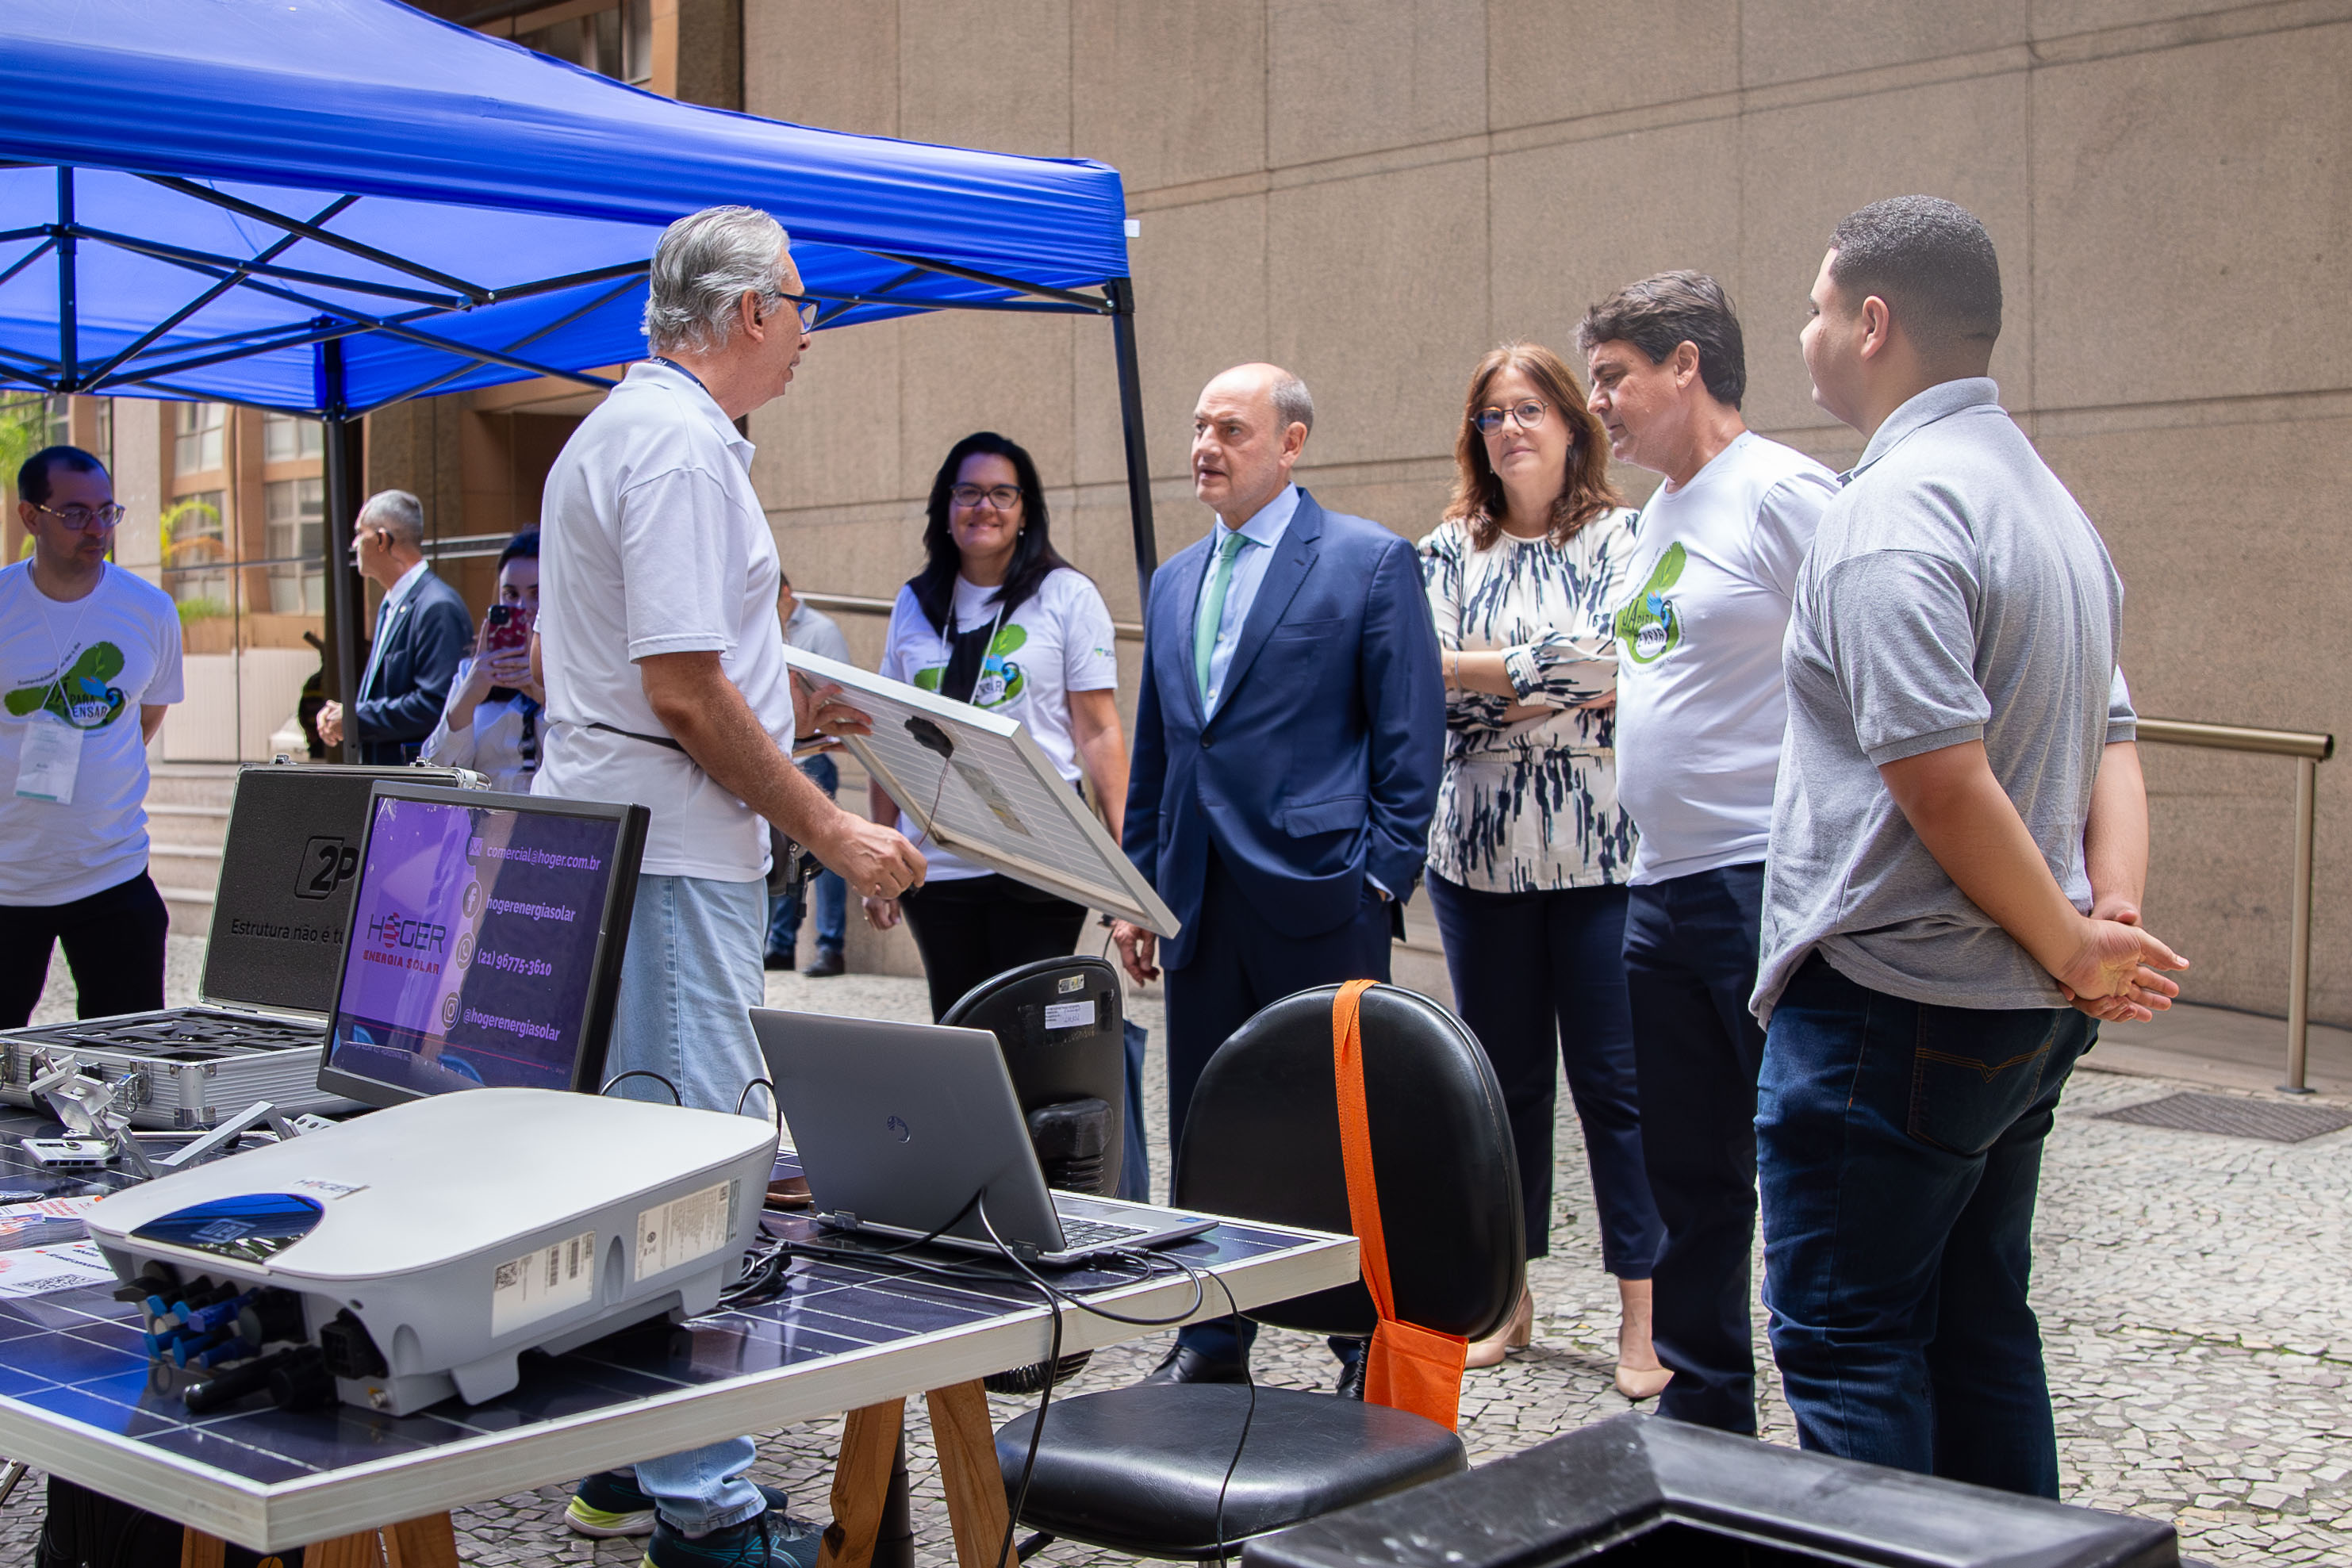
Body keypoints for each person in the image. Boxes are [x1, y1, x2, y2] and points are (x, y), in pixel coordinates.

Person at [1755, 196, 2186, 1494]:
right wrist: (2099, 921)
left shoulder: (1893, 509)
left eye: (1821, 306)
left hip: (1899, 1002)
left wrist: (2080, 938)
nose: (1809, 330)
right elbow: (2116, 732)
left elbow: (1941, 781)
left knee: (1852, 1341)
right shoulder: (2046, 500)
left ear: (1873, 322)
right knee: (1980, 1323)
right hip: (2015, 1002)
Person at [531, 205, 925, 1568]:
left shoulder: (620, 431)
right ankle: (709, 1509)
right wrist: (836, 831)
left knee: (630, 1172)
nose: (813, 329)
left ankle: (635, 1468)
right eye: (805, 303)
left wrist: (782, 712)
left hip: (626, 838)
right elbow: (686, 690)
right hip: (674, 855)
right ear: (751, 310)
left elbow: (683, 685)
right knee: (699, 1174)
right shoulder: (688, 449)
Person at [1114, 364, 1444, 1390]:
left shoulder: (1367, 562)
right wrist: (1137, 887)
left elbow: (1409, 738)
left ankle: (1361, 1339)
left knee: (1344, 1128)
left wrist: (1378, 879)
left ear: (1292, 443)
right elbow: (1161, 748)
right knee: (1207, 1125)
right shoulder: (1174, 579)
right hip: (1198, 904)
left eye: (1232, 429)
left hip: (1321, 897)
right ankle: (1212, 1338)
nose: (1205, 446)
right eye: (1198, 425)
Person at [1578, 272, 1839, 1436]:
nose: (1599, 406)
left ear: (1686, 364)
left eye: (1613, 378)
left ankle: (1835, 1419)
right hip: (1658, 888)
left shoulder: (1785, 491)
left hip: (1760, 882)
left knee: (1795, 1171)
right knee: (1684, 1174)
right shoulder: (1654, 520)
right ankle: (1703, 1424)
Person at [1418, 344, 1667, 1395]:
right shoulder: (1438, 554)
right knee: (1504, 1086)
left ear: (1571, 423)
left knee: (1618, 1087)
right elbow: (1419, 681)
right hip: (1476, 860)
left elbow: (1624, 660)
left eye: (1530, 409)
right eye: (1491, 415)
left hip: (1600, 856)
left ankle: (1642, 1321)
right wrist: (1547, 679)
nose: (1511, 428)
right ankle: (1505, 1301)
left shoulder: (1624, 538)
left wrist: (1496, 682)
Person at [865, 431, 1128, 1021]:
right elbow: (888, 731)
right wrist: (879, 846)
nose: (984, 506)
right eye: (968, 492)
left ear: (1025, 510)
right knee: (958, 1026)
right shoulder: (915, 601)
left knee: (1030, 1031)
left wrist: (1126, 862)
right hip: (938, 860)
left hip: (1041, 855)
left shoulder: (1067, 596)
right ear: (945, 506)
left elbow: (1098, 733)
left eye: (1002, 493)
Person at [0, 446, 182, 1029]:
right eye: (75, 514)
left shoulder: (149, 610)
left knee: (128, 1064)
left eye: (108, 511)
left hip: (113, 873)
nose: (98, 528)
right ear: (31, 517)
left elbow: (146, 717)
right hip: (7, 880)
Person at [315, 489, 470, 764]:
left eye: (360, 533)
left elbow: (436, 705)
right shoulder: (393, 604)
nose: (354, 544)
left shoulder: (437, 607)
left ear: (382, 540)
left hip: (415, 788)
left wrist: (354, 719)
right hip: (387, 783)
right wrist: (348, 717)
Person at [766, 569, 851, 976]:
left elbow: (839, 694)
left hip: (812, 754)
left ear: (787, 591)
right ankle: (780, 946)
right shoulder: (760, 629)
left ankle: (831, 947)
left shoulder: (821, 630)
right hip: (775, 756)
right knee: (781, 856)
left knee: (829, 852)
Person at [420, 529, 543, 790]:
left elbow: (586, 761)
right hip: (486, 823)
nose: (522, 609)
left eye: (537, 595)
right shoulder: (472, 672)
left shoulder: (575, 672)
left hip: (558, 822)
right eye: (510, 595)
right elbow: (436, 776)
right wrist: (469, 695)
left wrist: (545, 697)